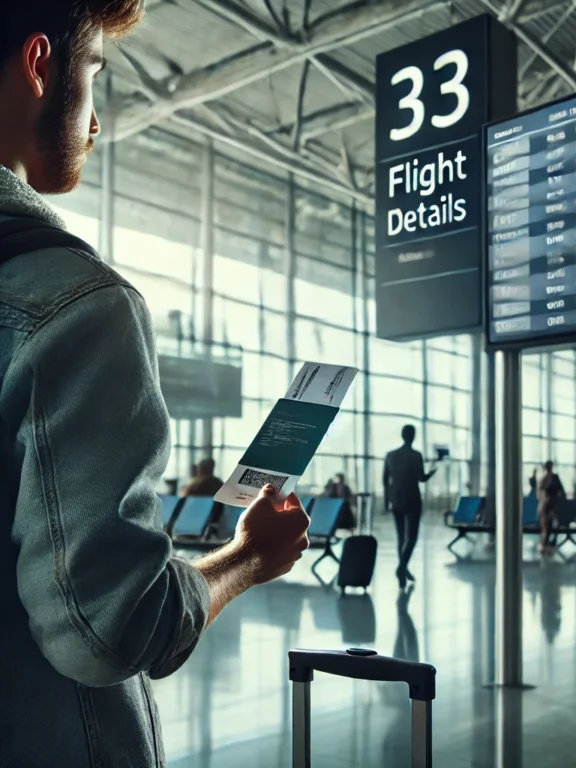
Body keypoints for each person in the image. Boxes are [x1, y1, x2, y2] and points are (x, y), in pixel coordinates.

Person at [0, 6, 310, 766]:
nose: (96, 121)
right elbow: (107, 628)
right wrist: (246, 560)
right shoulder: (71, 306)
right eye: (92, 74)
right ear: (40, 67)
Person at [383, 425, 437, 589]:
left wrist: (387, 500)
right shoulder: (416, 455)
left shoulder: (390, 455)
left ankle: (403, 570)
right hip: (413, 498)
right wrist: (432, 472)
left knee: (401, 537)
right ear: (413, 436)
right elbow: (421, 478)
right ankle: (402, 568)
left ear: (402, 435)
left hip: (396, 499)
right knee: (411, 537)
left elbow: (385, 480)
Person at [537, 461, 565, 556]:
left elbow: (559, 492)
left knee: (547, 526)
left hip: (549, 504)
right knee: (546, 526)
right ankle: (544, 545)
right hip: (547, 505)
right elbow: (560, 492)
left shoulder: (546, 479)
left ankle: (545, 545)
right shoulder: (549, 479)